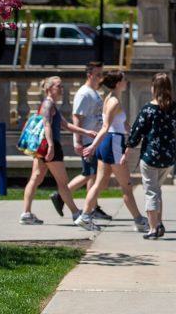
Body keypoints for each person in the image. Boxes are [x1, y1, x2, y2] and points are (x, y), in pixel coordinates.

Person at [75, 71, 149, 233]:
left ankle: (85, 217)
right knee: (127, 186)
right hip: (112, 143)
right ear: (117, 83)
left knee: (100, 182)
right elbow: (106, 126)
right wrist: (93, 146)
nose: (126, 81)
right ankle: (139, 221)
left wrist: (138, 135)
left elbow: (122, 124)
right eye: (124, 79)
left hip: (110, 142)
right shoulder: (113, 101)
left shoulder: (111, 98)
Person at [20, 76, 97, 227]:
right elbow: (47, 125)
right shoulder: (48, 104)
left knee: (36, 178)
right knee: (62, 182)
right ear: (49, 89)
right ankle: (76, 213)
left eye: (61, 86)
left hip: (43, 147)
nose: (62, 89)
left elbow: (66, 125)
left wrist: (85, 132)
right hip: (51, 145)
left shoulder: (51, 104)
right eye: (58, 86)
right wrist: (51, 146)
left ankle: (26, 213)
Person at [50, 61, 111, 222]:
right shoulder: (84, 93)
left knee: (93, 175)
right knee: (89, 173)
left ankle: (91, 207)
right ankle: (61, 195)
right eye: (98, 74)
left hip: (94, 139)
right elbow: (76, 117)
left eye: (102, 74)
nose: (101, 78)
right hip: (86, 141)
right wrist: (77, 141)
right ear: (89, 75)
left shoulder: (93, 92)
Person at [125, 72, 176, 240]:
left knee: (150, 192)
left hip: (150, 157)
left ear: (154, 88)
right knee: (157, 190)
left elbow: (136, 133)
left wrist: (128, 146)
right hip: (168, 158)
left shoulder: (148, 109)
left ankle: (152, 227)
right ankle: (160, 222)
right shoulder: (174, 107)